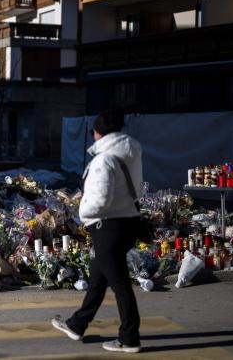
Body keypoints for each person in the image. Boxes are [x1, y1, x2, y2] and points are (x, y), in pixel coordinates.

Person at [51, 109, 143, 353]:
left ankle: (129, 338)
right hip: (126, 222)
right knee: (98, 278)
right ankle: (77, 324)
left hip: (107, 226)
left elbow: (100, 199)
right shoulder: (130, 152)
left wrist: (83, 211)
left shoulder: (104, 159)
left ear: (97, 133)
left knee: (120, 284)